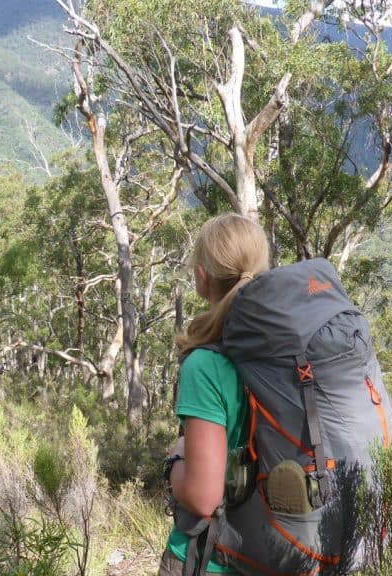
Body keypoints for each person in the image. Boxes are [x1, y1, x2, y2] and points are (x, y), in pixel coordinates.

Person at [159, 213, 270, 576]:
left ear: (202, 277)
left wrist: (174, 464)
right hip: (283, 554)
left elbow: (205, 498)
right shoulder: (291, 354)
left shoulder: (205, 365)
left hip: (214, 559)